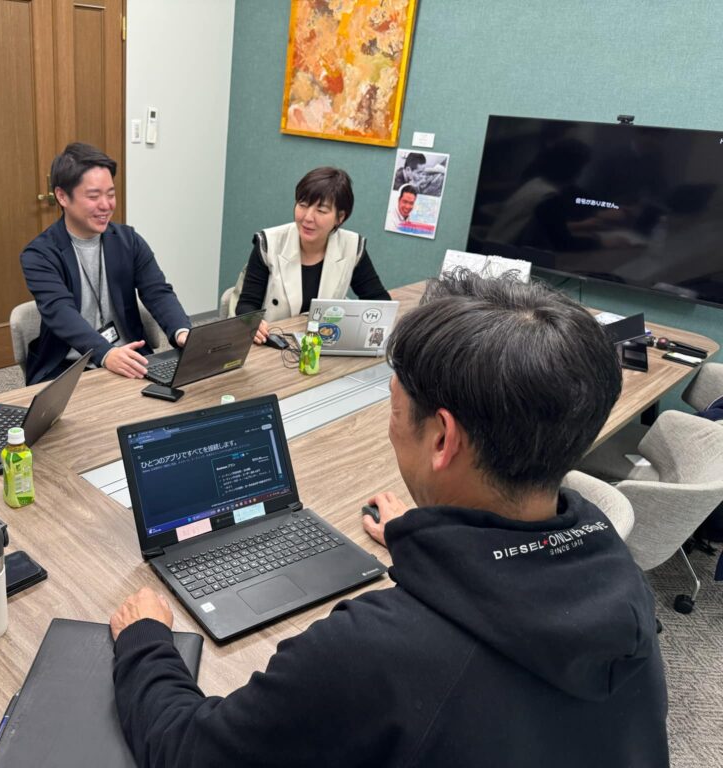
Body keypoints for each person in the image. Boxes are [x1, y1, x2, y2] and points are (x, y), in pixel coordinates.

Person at [109, 272, 669, 768]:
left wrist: (146, 641)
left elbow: (188, 752)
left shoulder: (366, 653)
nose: (391, 424)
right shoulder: (613, 570)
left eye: (394, 408)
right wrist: (421, 535)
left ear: (442, 439)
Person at [19, 142, 191, 384]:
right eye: (93, 196)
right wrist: (106, 353)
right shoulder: (39, 254)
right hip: (69, 368)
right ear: (62, 196)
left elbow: (157, 292)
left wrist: (183, 332)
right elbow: (60, 311)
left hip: (131, 359)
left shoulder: (128, 241)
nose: (106, 205)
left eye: (110, 194)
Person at [233, 167, 389, 344]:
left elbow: (380, 302)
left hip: (324, 343)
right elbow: (246, 305)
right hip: (273, 343)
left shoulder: (352, 247)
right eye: (303, 205)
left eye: (321, 211)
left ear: (340, 217)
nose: (308, 217)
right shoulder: (269, 243)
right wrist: (252, 323)